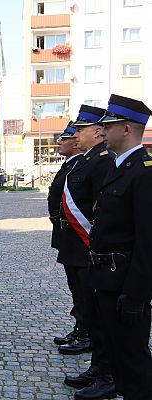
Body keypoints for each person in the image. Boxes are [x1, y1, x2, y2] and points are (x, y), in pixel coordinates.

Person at [88, 94, 152, 399]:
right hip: (108, 279)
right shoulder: (117, 167)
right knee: (118, 360)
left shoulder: (144, 172)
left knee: (134, 362)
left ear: (126, 128)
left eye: (108, 126)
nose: (102, 131)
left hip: (126, 283)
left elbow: (148, 241)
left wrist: (137, 294)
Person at [56, 106, 116, 400]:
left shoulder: (103, 161)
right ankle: (99, 368)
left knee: (98, 310)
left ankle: (105, 372)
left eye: (80, 130)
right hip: (76, 243)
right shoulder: (86, 161)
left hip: (89, 247)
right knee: (89, 305)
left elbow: (100, 207)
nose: (74, 135)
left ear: (96, 131)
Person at [47, 122, 83, 349]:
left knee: (83, 289)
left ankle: (85, 332)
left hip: (79, 237)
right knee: (76, 287)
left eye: (65, 138)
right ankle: (81, 328)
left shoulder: (82, 164)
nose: (59, 141)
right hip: (68, 235)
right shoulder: (71, 164)